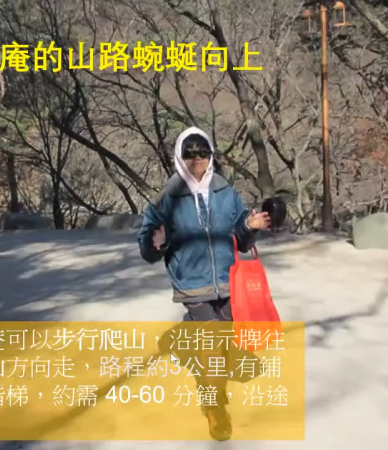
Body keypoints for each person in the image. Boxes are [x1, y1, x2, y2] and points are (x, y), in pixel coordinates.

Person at [137, 126, 271, 441]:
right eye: (189, 152)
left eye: (202, 152)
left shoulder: (226, 192)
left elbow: (240, 239)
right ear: (179, 156)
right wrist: (156, 242)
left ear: (211, 155)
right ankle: (215, 406)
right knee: (212, 344)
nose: (196, 158)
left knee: (223, 341)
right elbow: (147, 245)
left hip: (228, 280)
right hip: (192, 283)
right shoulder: (166, 199)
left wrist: (250, 225)